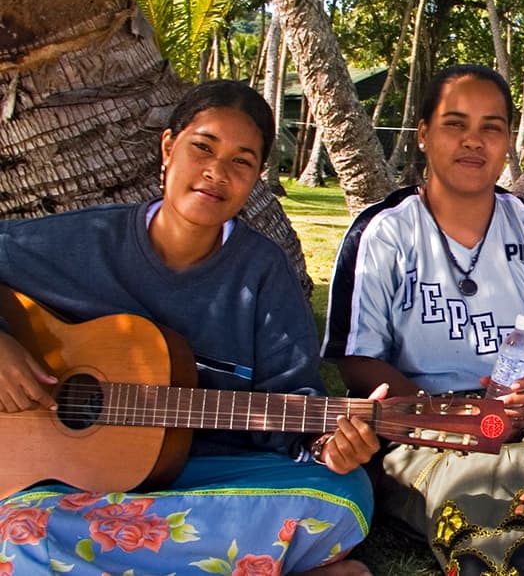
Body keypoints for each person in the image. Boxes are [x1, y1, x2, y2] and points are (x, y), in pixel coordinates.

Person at [0, 80, 382, 575]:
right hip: (77, 483)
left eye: (241, 162)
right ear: (167, 148)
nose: (216, 172)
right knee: (17, 528)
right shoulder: (81, 241)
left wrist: (326, 446)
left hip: (212, 480)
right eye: (202, 146)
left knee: (343, 497)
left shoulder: (263, 274)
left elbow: (294, 407)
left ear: (255, 178)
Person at [323, 66, 524, 576]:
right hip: (419, 423)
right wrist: (435, 416)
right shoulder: (384, 233)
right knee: (468, 501)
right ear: (423, 134)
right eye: (454, 124)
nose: (473, 141)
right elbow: (358, 358)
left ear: (507, 140)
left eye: (491, 127)